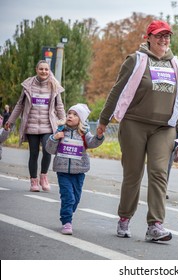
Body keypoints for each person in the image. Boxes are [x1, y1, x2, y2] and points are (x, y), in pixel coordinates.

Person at [97, 20, 178, 242]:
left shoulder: (175, 64)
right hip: (134, 124)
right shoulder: (136, 60)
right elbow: (116, 91)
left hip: (164, 127)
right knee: (133, 174)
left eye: (167, 36)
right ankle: (124, 217)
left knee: (159, 172)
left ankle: (155, 225)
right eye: (159, 36)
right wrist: (103, 120)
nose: (164, 40)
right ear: (148, 37)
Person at [5, 60, 66, 192]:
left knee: (47, 149)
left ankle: (43, 176)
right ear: (36, 69)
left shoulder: (54, 85)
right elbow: (20, 105)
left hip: (48, 125)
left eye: (46, 69)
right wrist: (10, 121)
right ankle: (34, 181)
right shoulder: (28, 85)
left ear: (49, 70)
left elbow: (59, 106)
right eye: (41, 69)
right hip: (31, 125)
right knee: (33, 153)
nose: (44, 71)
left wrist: (64, 121)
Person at [46, 103, 104, 235]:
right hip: (63, 171)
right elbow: (50, 149)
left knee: (76, 199)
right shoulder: (60, 131)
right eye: (69, 113)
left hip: (79, 171)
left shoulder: (84, 133)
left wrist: (99, 136)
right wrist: (54, 138)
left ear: (81, 119)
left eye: (75, 114)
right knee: (68, 198)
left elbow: (92, 143)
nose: (70, 116)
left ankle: (68, 212)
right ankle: (67, 222)